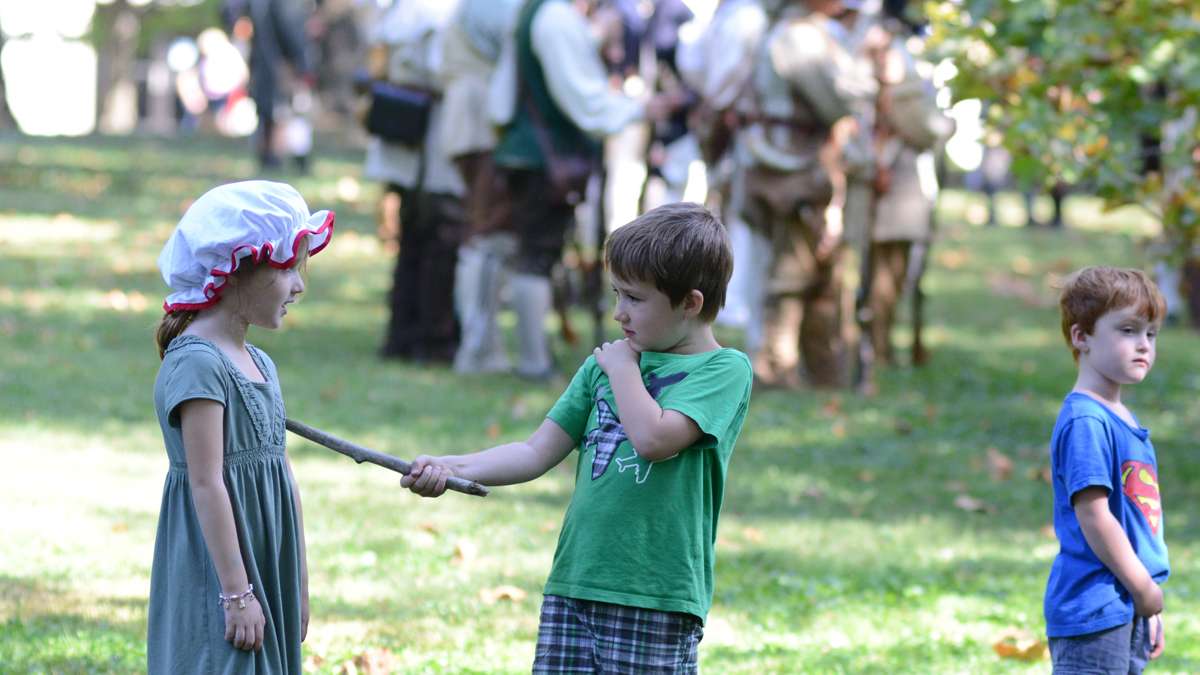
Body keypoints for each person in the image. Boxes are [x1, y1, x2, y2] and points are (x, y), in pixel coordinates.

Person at [401, 203, 753, 672]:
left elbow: (655, 439)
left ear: (691, 303)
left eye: (635, 299)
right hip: (576, 583)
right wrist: (450, 467)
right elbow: (533, 452)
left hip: (656, 596)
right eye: (616, 294)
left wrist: (624, 370)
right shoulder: (605, 366)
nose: (618, 313)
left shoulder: (722, 370)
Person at [147, 181, 334, 673]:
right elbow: (207, 482)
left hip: (265, 565)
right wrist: (235, 592)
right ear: (235, 269)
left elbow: (283, 477)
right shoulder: (199, 364)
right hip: (223, 573)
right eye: (288, 268)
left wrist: (297, 584)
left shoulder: (261, 363)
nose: (299, 285)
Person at [491, 0, 678, 380]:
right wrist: (640, 109)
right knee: (537, 256)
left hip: (536, 154)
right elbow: (583, 99)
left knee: (537, 255)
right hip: (544, 156)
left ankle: (535, 357)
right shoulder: (554, 17)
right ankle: (533, 362)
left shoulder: (540, 12)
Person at [740, 0, 873, 389]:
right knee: (792, 274)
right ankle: (779, 368)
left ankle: (820, 371)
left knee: (819, 275)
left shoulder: (801, 32)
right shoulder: (798, 36)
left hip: (801, 166)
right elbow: (835, 102)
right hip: (793, 168)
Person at [1045, 266, 1168, 673]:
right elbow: (1095, 517)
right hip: (1093, 610)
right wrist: (1142, 587)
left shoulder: (1119, 416)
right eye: (1128, 330)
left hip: (1126, 604)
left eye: (1150, 333)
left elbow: (1132, 520)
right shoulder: (1087, 421)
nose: (1143, 345)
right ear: (1082, 337)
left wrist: (1147, 603)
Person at [363, 0, 467, 363]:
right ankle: (430, 339)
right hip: (430, 142)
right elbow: (441, 71)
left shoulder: (401, 10)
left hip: (417, 145)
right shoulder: (435, 13)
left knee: (416, 240)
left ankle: (405, 334)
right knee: (436, 240)